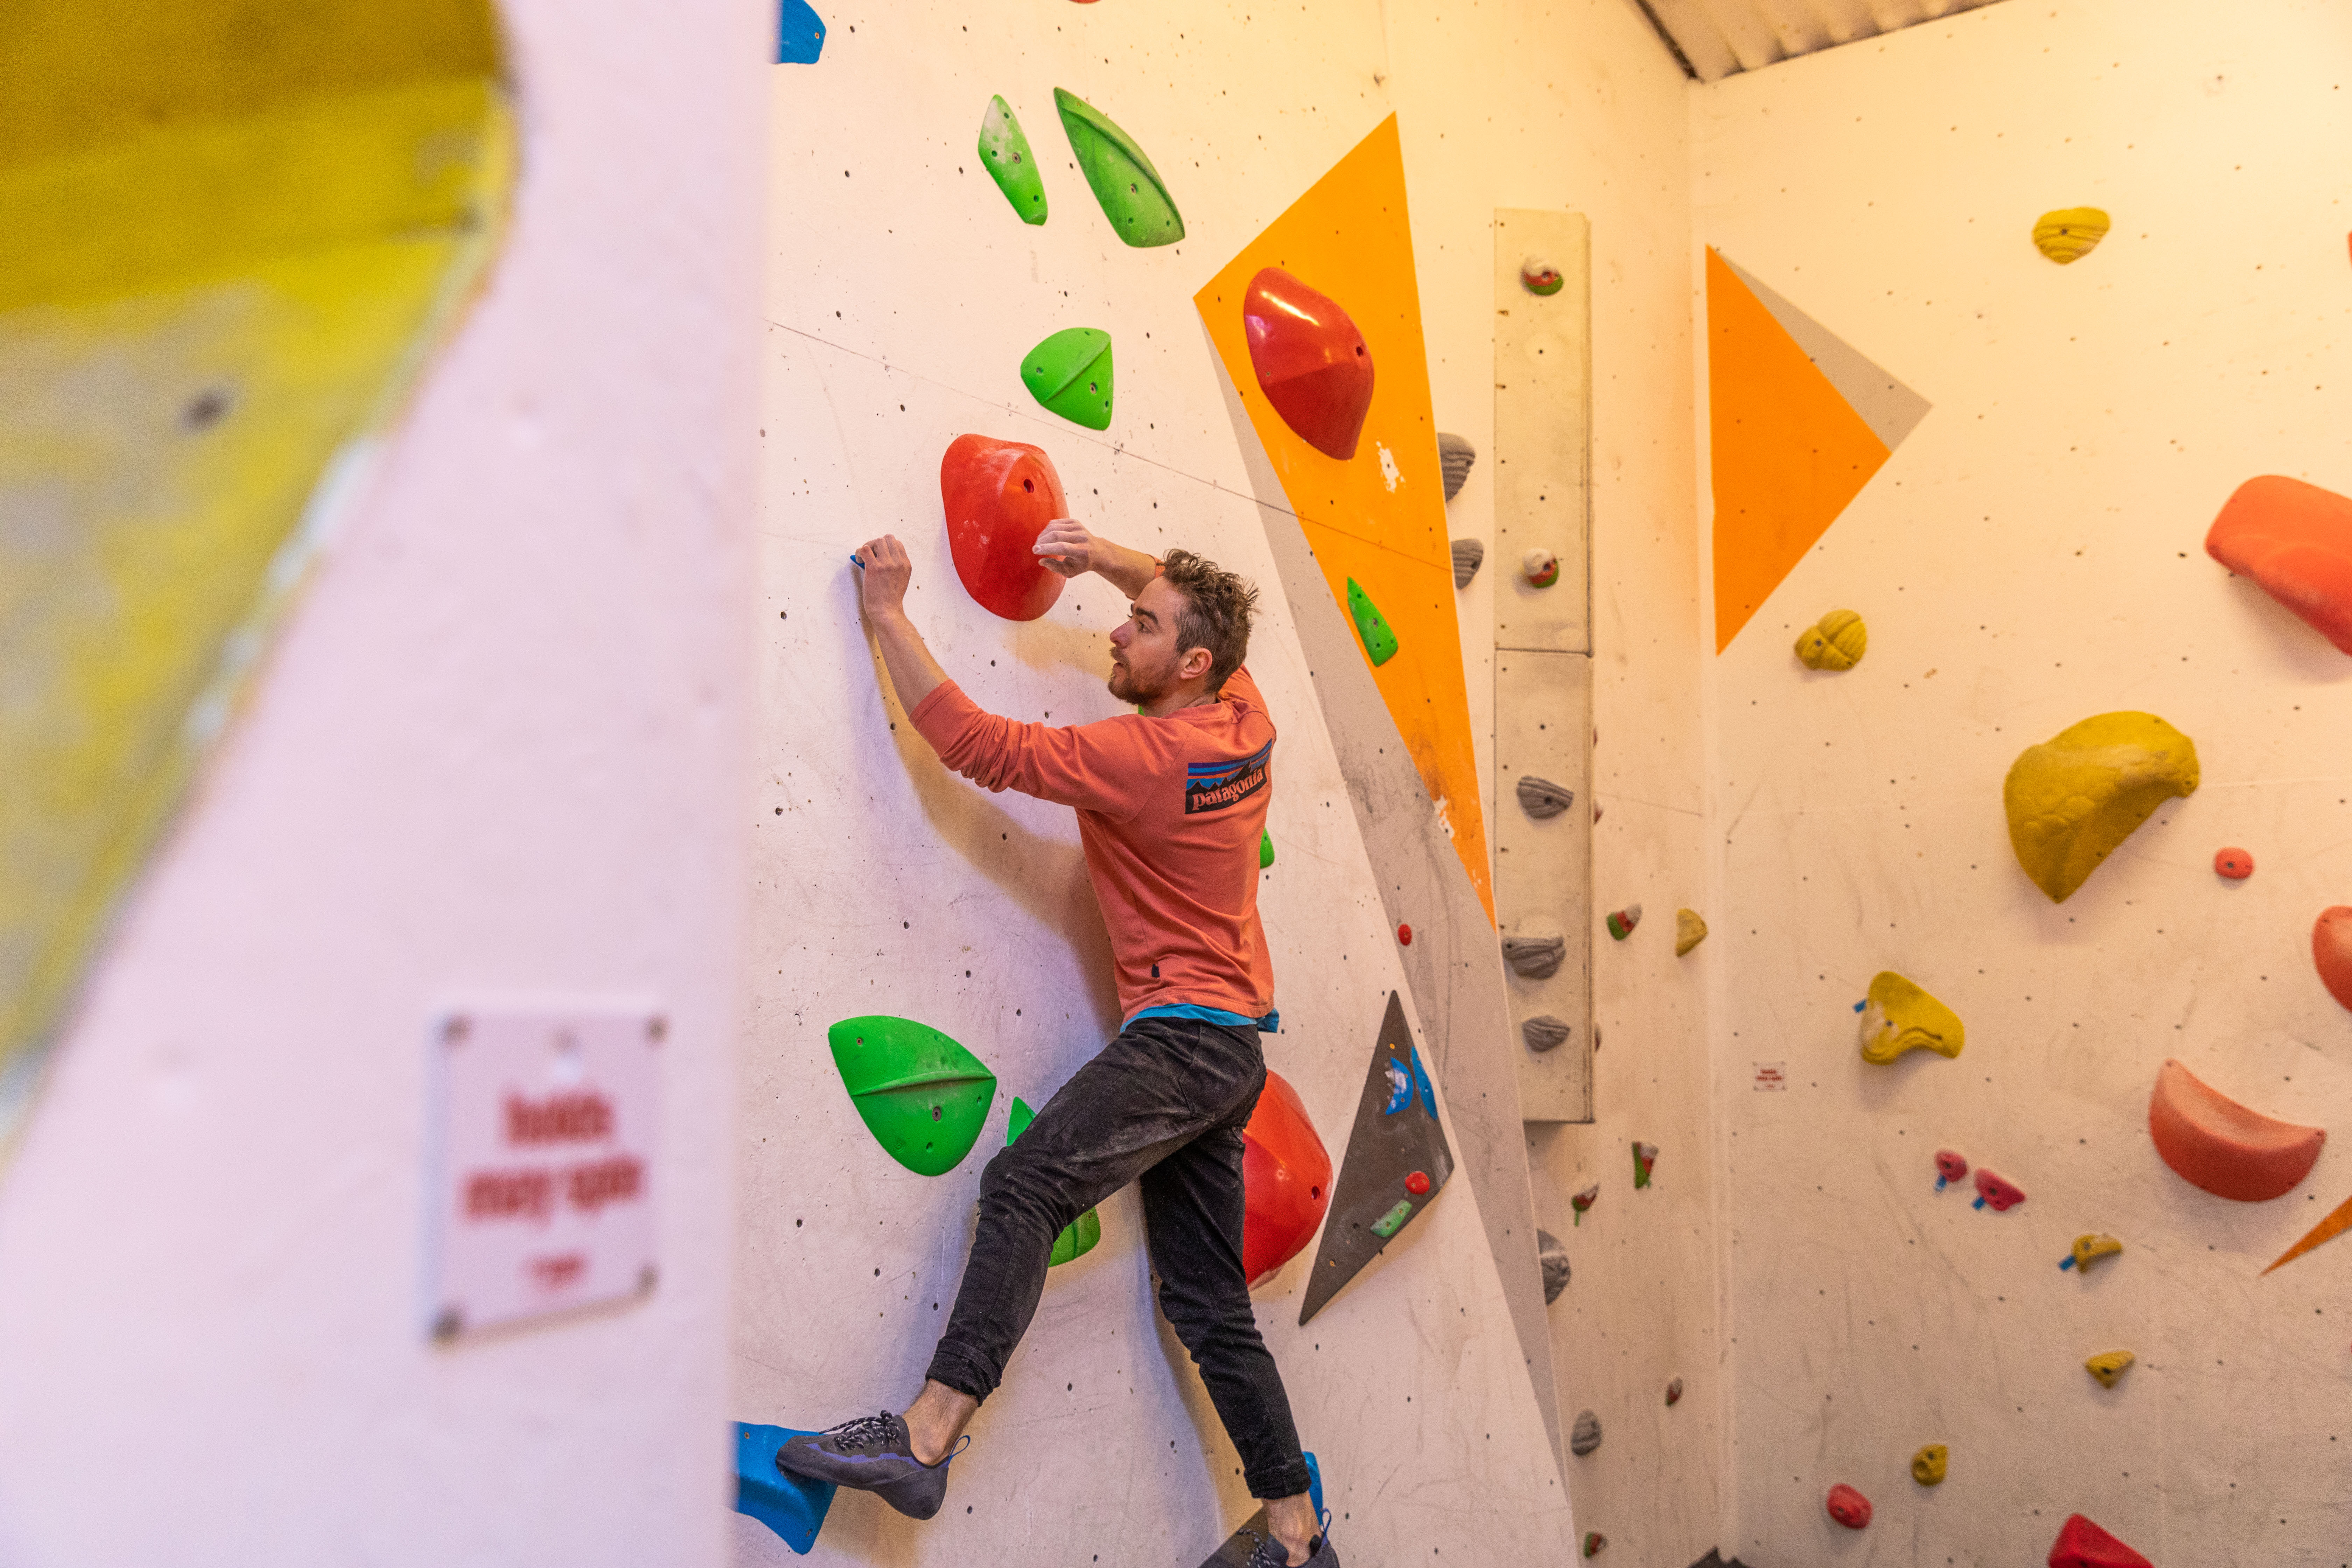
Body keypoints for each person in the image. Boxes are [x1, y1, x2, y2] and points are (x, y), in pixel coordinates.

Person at [775, 521, 1337, 1568]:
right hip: (1232, 1060)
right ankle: (1299, 1537)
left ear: (1193, 664)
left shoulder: (1142, 756)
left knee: (1025, 1186)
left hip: (1181, 1044)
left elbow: (977, 745)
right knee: (1211, 1308)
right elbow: (1177, 591)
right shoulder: (1244, 720)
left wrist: (888, 614)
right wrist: (1106, 559)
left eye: (1141, 627)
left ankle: (925, 1437)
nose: (1118, 632)